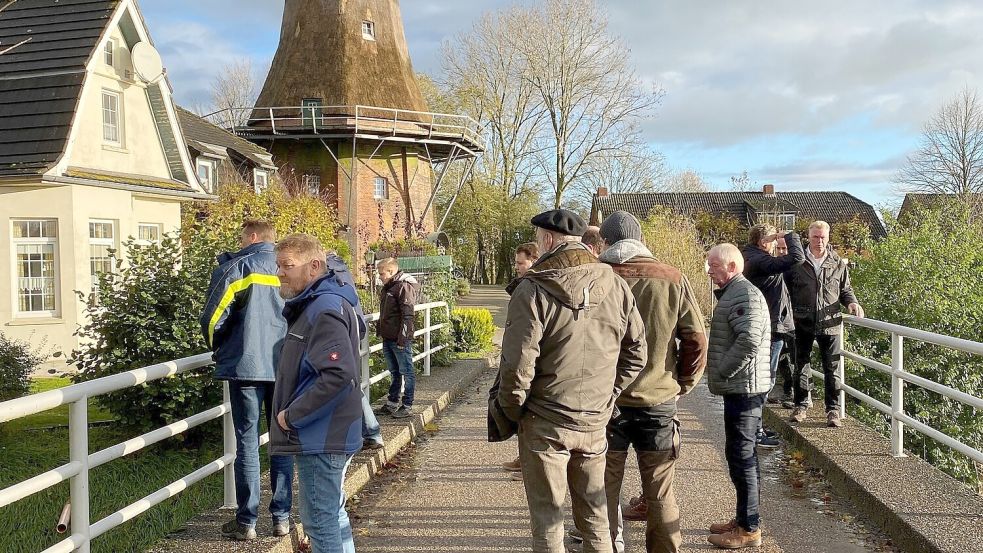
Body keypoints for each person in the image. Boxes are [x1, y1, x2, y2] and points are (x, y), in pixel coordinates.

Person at [489, 208, 647, 553]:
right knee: (595, 518)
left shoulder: (532, 290)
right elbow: (637, 353)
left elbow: (516, 367)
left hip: (545, 421)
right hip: (594, 420)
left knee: (548, 521)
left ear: (547, 240)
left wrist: (513, 411)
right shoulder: (616, 284)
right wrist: (609, 394)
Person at [597, 211, 708, 553]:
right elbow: (696, 338)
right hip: (658, 399)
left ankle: (604, 546)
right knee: (660, 492)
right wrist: (683, 382)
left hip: (605, 400)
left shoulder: (597, 277)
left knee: (602, 489)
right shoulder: (672, 278)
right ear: (640, 239)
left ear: (606, 241)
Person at [270, 233, 364, 552]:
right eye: (278, 265)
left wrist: (291, 416)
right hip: (328, 430)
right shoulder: (326, 300)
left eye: (287, 265)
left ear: (314, 266)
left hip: (320, 436)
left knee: (319, 522)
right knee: (331, 516)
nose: (280, 272)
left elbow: (338, 374)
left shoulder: (322, 308)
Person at [201, 220, 293, 541]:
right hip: (284, 367)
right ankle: (281, 518)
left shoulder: (239, 267)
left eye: (242, 238)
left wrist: (222, 347)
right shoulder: (287, 268)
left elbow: (213, 318)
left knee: (248, 442)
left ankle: (247, 522)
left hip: (246, 368)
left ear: (252, 237)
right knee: (282, 442)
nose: (239, 244)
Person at [705, 243, 772, 549]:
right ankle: (744, 519)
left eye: (714, 266)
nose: (710, 272)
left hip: (745, 389)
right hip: (742, 387)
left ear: (731, 266)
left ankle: (749, 528)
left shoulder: (744, 294)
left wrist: (722, 370)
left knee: (743, 458)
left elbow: (749, 341)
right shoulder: (737, 293)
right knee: (739, 456)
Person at [785, 221, 864, 428]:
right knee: (801, 365)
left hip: (830, 322)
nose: (819, 241)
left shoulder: (837, 262)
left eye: (822, 237)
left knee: (833, 368)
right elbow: (786, 291)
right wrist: (789, 313)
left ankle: (833, 410)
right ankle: (800, 405)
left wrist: (852, 303)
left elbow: (845, 289)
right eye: (815, 237)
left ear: (828, 238)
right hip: (801, 321)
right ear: (808, 237)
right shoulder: (797, 262)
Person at [740, 223, 805, 448]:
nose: (778, 243)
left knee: (762, 378)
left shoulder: (753, 257)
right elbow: (797, 258)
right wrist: (789, 235)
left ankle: (755, 427)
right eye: (773, 238)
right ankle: (754, 432)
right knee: (764, 379)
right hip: (769, 328)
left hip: (769, 325)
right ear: (763, 241)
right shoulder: (759, 260)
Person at [325, 252, 384, 450]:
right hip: (352, 330)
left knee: (345, 384)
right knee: (350, 383)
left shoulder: (328, 273)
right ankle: (369, 432)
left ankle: (367, 432)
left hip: (337, 333)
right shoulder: (343, 272)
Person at [502, 242, 541, 476]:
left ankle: (530, 464)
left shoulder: (533, 288)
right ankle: (525, 459)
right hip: (524, 359)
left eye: (520, 263)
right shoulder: (523, 286)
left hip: (530, 362)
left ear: (533, 260)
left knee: (528, 411)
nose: (516, 267)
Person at [375, 258, 420, 419]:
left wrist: (403, 338)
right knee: (394, 372)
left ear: (391, 272)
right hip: (389, 337)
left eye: (382, 273)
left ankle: (407, 405)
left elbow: (408, 314)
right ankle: (392, 402)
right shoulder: (390, 287)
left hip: (398, 338)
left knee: (406, 371)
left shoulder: (402, 287)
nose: (379, 276)